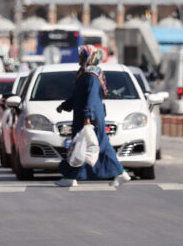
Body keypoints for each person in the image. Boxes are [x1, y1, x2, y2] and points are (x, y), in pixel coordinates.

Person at [55, 46, 131, 188]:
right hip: (87, 116)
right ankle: (71, 176)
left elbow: (91, 97)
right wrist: (64, 106)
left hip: (91, 117)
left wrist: (88, 117)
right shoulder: (85, 73)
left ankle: (70, 176)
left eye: (82, 55)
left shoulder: (91, 75)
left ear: (88, 56)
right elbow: (78, 96)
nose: (79, 58)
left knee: (84, 145)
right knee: (85, 146)